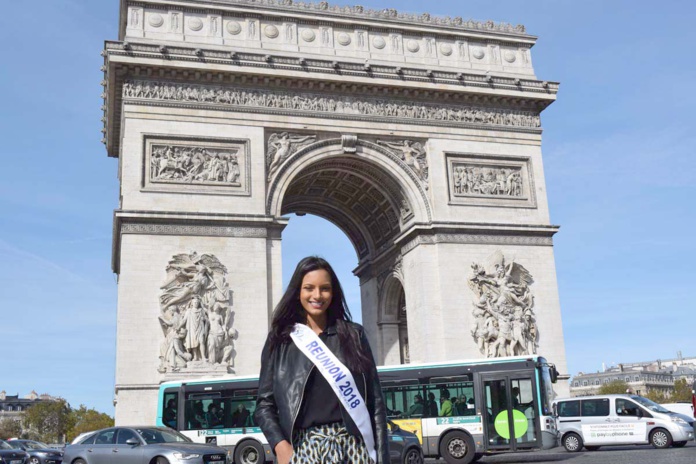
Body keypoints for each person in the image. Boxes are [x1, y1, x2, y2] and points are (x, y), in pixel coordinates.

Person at [255, 256, 389, 464]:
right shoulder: (280, 340)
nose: (317, 295)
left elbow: (375, 402)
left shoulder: (354, 335)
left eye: (325, 288)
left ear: (333, 292)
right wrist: (280, 446)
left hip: (355, 448)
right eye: (309, 288)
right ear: (297, 291)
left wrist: (382, 458)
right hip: (303, 449)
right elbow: (264, 404)